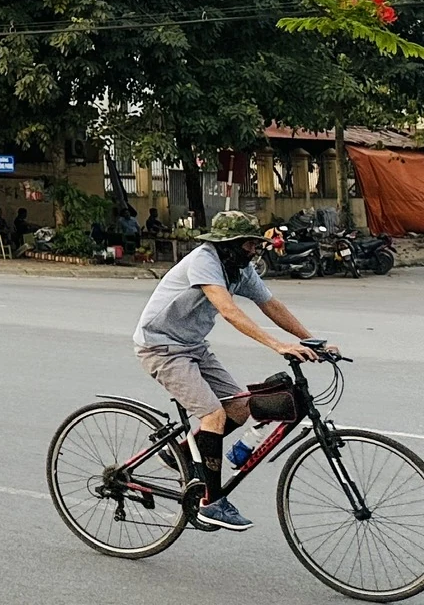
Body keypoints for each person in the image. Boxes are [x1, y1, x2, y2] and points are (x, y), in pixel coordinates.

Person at [133, 211, 329, 533]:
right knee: (213, 416)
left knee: (239, 408)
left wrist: (310, 340)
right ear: (230, 244)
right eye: (250, 244)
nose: (254, 250)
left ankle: (181, 454)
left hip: (193, 345)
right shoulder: (205, 260)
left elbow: (270, 304)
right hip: (161, 348)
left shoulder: (241, 268)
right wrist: (276, 345)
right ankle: (211, 503)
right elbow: (228, 310)